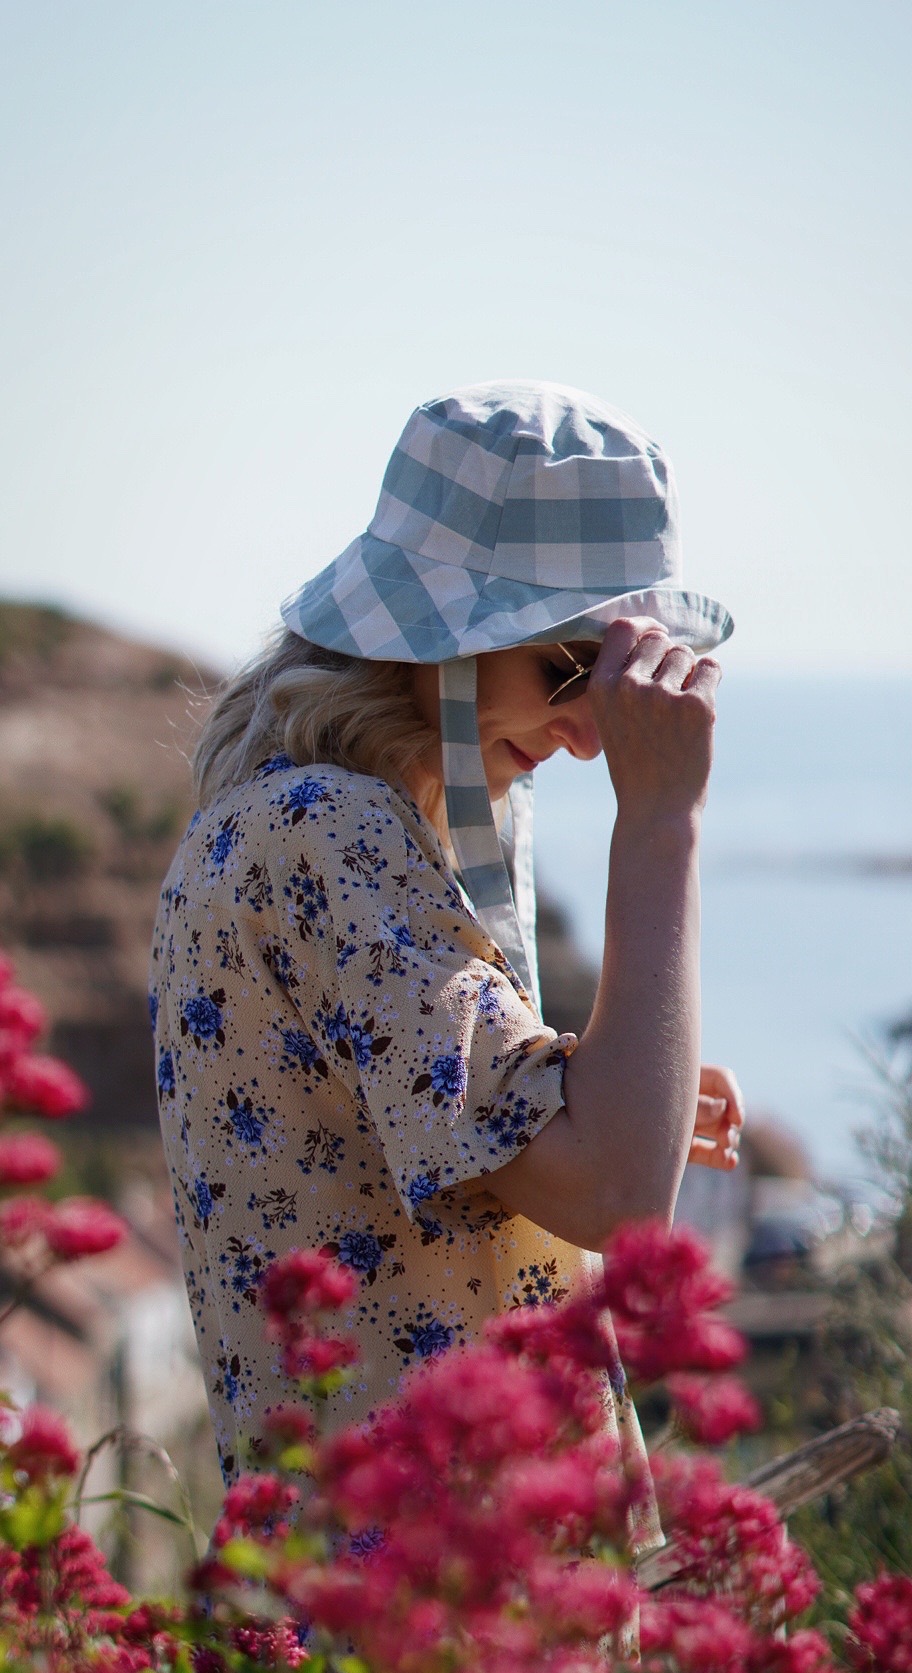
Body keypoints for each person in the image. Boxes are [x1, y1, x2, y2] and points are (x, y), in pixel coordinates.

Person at [149, 381, 743, 1546]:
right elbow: (618, 1196)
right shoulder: (332, 831)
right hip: (429, 1620)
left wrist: (603, 1076)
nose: (588, 730)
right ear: (438, 638)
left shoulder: (300, 819)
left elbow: (400, 1131)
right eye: (572, 665)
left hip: (385, 1593)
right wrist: (661, 824)